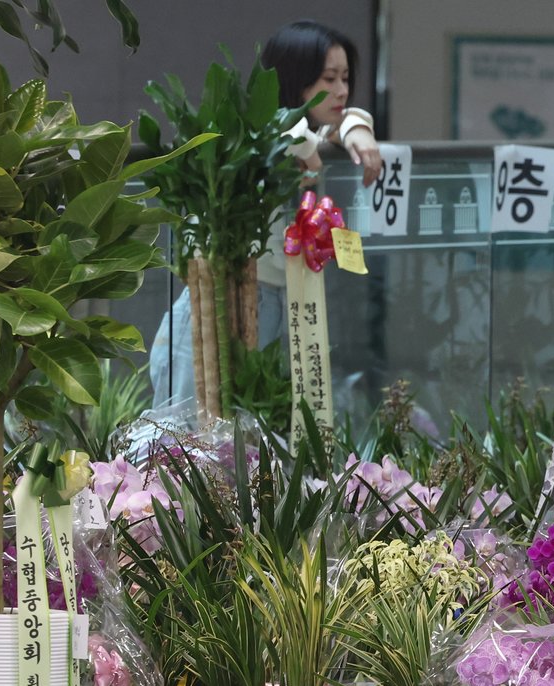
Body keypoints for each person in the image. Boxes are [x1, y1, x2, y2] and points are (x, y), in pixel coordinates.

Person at [150, 20, 384, 406]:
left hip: (284, 303)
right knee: (191, 437)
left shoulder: (310, 134)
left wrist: (358, 127)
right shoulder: (254, 137)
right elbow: (278, 130)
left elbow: (339, 123)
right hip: (222, 302)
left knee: (258, 444)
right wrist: (303, 137)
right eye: (329, 78)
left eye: (345, 77)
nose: (342, 89)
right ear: (296, 79)